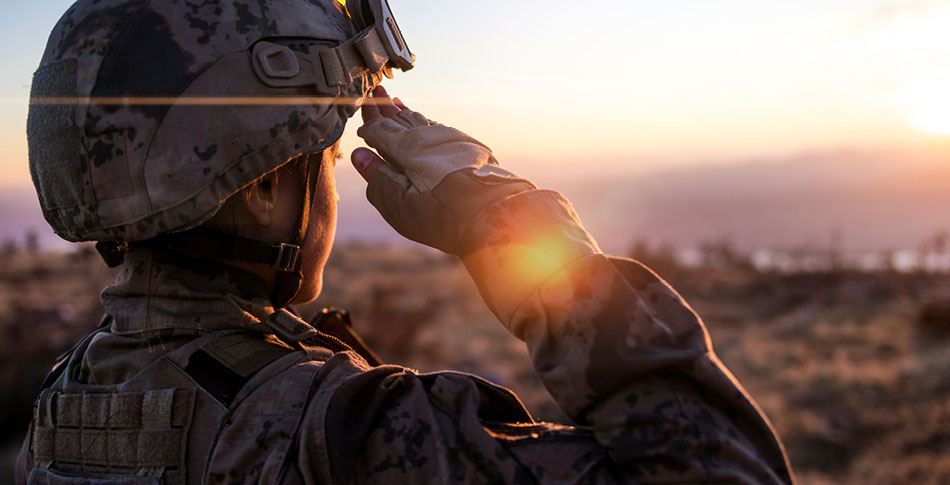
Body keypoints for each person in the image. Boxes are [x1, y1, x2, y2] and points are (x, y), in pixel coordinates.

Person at [16, 0, 795, 483]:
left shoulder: (68, 403)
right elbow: (725, 466)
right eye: (325, 156)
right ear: (258, 189)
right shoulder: (346, 433)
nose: (332, 182)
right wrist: (516, 227)